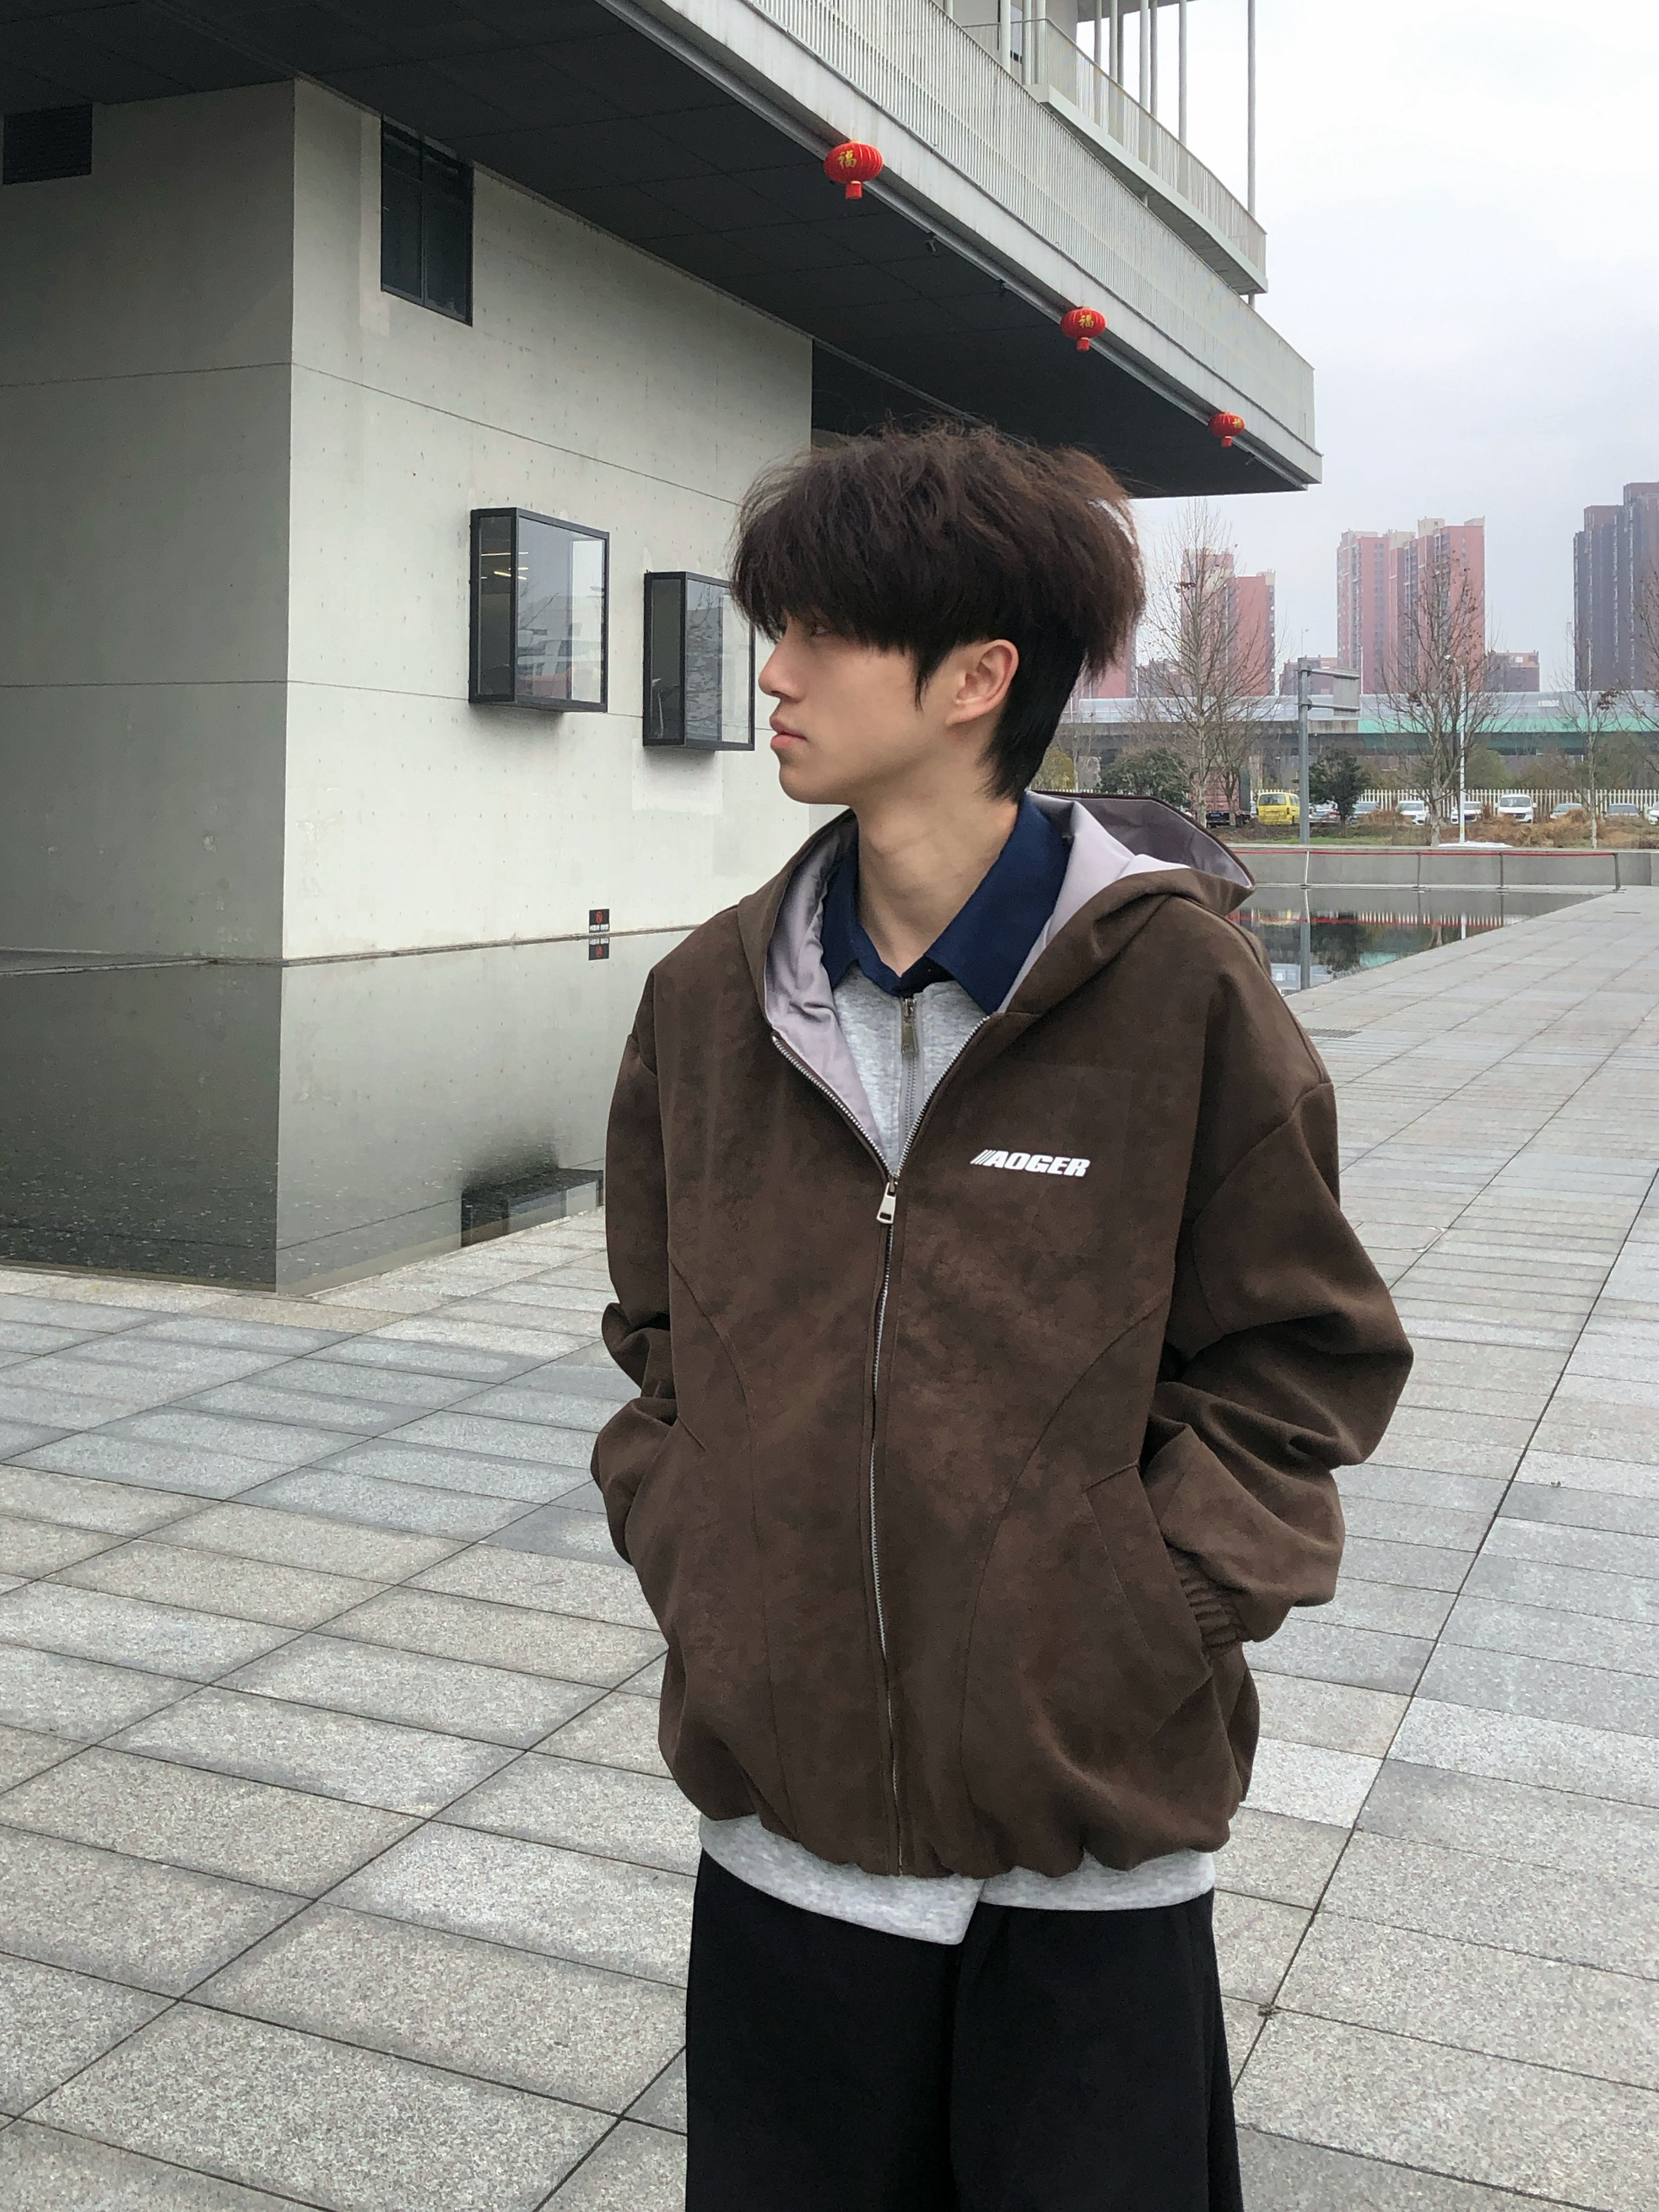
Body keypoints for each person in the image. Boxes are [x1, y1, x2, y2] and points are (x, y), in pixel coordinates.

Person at [594, 424, 1411, 2210]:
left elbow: (1302, 1353)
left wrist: (1139, 1609)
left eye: (820, 632)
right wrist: (699, 1553)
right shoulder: (707, 1001)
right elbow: (654, 1338)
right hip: (786, 1839)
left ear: (976, 678)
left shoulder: (1179, 992)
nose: (773, 672)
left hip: (1084, 1853)